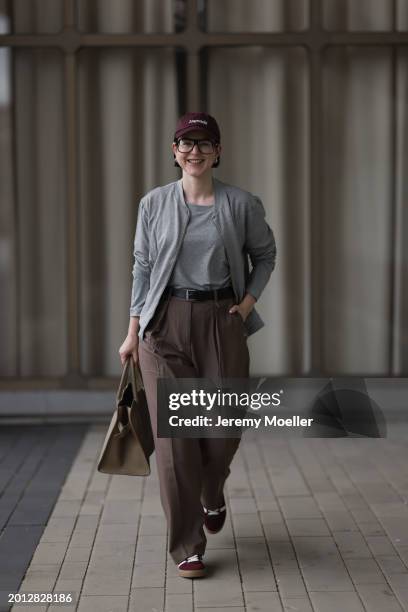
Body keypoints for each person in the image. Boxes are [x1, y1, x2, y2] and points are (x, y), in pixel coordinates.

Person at [119, 112, 277, 578]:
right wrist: (132, 332)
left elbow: (265, 255)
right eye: (186, 144)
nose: (194, 151)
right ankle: (187, 544)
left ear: (218, 151)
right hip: (163, 326)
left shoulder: (242, 204)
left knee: (223, 428)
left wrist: (246, 305)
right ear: (174, 152)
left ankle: (213, 490)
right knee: (176, 440)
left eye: (204, 143)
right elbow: (142, 269)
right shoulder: (153, 204)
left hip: (221, 320)